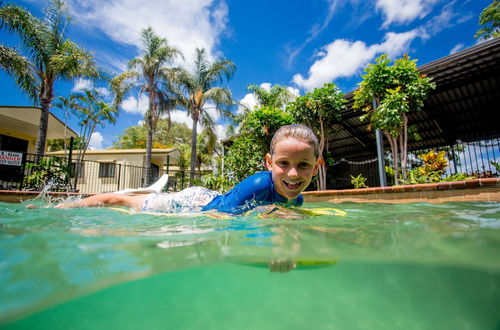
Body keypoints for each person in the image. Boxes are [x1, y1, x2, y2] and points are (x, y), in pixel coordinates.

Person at [55, 124, 320, 215]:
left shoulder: (297, 199)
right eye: (283, 163)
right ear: (268, 162)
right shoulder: (260, 184)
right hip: (193, 204)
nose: (293, 174)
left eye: (303, 165)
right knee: (123, 201)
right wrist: (268, 215)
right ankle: (63, 207)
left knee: (130, 200)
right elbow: (217, 217)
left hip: (211, 195)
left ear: (315, 168)